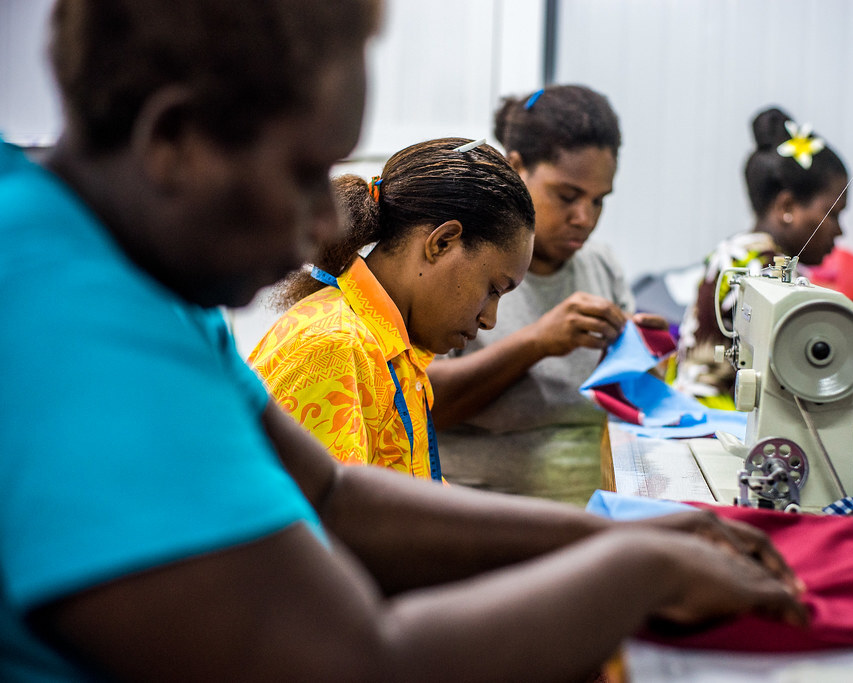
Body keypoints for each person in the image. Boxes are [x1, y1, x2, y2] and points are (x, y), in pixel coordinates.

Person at [1, 3, 806, 680]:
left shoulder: (144, 286)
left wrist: (625, 531)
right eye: (304, 168)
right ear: (174, 140)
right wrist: (640, 568)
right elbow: (352, 658)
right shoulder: (56, 311)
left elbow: (334, 496)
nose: (324, 224)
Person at [429, 85, 666, 506]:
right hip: (480, 510)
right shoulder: (462, 263)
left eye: (599, 201)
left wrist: (641, 355)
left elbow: (631, 406)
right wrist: (536, 342)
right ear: (516, 167)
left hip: (591, 506)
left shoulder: (601, 266)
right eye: (568, 196)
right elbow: (422, 403)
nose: (585, 219)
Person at [249, 139, 534, 479]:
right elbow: (325, 521)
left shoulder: (394, 352)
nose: (490, 319)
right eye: (493, 289)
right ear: (442, 243)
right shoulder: (337, 346)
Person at [676, 106, 853, 406]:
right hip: (716, 417)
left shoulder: (739, 252)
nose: (839, 231)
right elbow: (797, 354)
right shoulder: (758, 268)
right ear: (787, 207)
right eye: (832, 214)